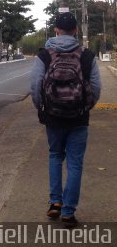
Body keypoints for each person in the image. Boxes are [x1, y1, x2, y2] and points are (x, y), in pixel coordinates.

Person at [30, 12, 101, 227]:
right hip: (79, 117)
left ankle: (55, 203)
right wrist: (85, 106)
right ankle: (69, 212)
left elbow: (35, 86)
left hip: (53, 116)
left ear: (56, 31)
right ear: (76, 31)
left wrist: (42, 108)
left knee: (55, 155)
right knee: (75, 163)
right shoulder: (87, 55)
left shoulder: (45, 54)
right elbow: (96, 88)